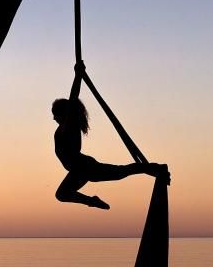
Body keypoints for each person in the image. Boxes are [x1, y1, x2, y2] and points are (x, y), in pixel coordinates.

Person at [53, 62, 170, 210]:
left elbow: (73, 99)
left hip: (82, 167)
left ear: (63, 114)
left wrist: (78, 76)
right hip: (81, 169)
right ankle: (156, 168)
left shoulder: (68, 126)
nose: (53, 118)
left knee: (120, 172)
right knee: (120, 172)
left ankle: (157, 168)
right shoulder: (66, 127)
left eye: (55, 114)